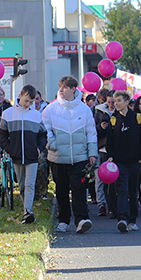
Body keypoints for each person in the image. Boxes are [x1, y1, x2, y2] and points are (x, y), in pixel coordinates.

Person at [42, 76, 98, 234]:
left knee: (79, 188)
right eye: (60, 87)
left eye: (65, 87)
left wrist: (92, 152)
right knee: (61, 189)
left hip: (80, 157)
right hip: (58, 157)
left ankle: (82, 219)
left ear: (73, 89)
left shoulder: (84, 109)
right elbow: (45, 129)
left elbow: (91, 132)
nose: (61, 90)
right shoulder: (51, 109)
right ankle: (63, 220)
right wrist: (52, 144)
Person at [0, 85, 47, 224]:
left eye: (31, 102)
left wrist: (39, 148)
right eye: (26, 101)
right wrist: (9, 148)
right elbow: (1, 133)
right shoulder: (8, 113)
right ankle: (26, 208)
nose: (28, 104)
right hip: (17, 155)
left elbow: (43, 135)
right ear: (21, 95)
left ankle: (28, 211)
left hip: (32, 155)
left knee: (30, 184)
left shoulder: (36, 115)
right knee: (21, 185)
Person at [106, 90, 141, 232]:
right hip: (119, 163)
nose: (115, 103)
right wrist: (111, 156)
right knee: (122, 190)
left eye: (118, 101)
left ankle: (133, 220)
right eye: (114, 101)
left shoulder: (137, 118)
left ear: (126, 102)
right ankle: (123, 219)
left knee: (133, 191)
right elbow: (110, 142)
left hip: (135, 162)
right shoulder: (113, 119)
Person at [93, 88, 114, 217]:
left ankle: (113, 204)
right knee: (100, 178)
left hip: (116, 149)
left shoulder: (120, 112)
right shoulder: (99, 111)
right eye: (110, 102)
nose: (112, 105)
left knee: (113, 179)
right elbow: (93, 130)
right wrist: (101, 127)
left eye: (114, 102)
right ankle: (101, 204)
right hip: (102, 148)